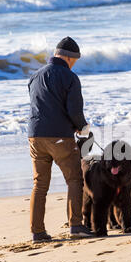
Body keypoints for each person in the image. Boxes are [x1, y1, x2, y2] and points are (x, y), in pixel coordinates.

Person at [27, 36, 94, 242]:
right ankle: (76, 225)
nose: (74, 64)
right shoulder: (69, 77)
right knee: (75, 179)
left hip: (34, 136)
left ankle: (37, 232)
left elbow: (43, 105)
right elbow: (74, 110)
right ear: (68, 58)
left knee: (40, 184)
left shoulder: (35, 76)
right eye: (75, 60)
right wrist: (82, 128)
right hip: (59, 138)